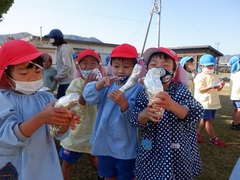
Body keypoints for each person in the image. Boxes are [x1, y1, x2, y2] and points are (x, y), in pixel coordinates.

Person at [0, 40, 80, 180]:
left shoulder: (46, 97)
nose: (32, 78)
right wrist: (42, 117)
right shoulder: (3, 99)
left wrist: (63, 121)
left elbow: (56, 132)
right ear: (6, 76)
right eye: (24, 73)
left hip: (45, 164)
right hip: (15, 165)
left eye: (37, 71)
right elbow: (7, 136)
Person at [130, 47, 204, 180]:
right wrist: (145, 114)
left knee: (178, 174)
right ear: (146, 70)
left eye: (165, 65)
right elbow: (134, 119)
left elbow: (195, 112)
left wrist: (172, 105)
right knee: (149, 173)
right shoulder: (143, 93)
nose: (159, 70)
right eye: (153, 65)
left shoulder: (180, 91)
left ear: (174, 72)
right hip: (152, 147)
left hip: (178, 147)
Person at [82, 43, 144, 180]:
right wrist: (98, 85)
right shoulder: (107, 83)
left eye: (126, 67)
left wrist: (124, 104)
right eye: (116, 66)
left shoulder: (138, 89)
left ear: (135, 67)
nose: (120, 71)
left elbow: (136, 118)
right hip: (104, 143)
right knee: (108, 175)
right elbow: (89, 98)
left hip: (125, 145)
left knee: (126, 176)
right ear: (110, 66)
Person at [59, 49, 105, 180]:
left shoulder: (102, 84)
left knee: (92, 156)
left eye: (92, 63)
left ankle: (102, 176)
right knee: (67, 162)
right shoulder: (76, 83)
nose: (89, 66)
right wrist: (86, 86)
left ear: (98, 66)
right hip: (76, 131)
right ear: (78, 66)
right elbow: (75, 106)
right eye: (84, 63)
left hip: (93, 129)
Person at [194, 54, 226, 146]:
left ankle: (198, 134)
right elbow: (200, 89)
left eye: (212, 65)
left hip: (212, 102)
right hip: (204, 102)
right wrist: (211, 86)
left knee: (204, 119)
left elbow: (218, 89)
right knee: (208, 120)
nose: (211, 67)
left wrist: (221, 86)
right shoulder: (200, 76)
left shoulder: (215, 75)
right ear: (201, 66)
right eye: (208, 66)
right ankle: (213, 139)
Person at [44, 29, 76, 99]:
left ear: (57, 38)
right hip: (64, 81)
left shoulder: (63, 49)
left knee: (63, 103)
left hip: (67, 81)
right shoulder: (60, 49)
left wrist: (58, 76)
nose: (50, 40)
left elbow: (67, 66)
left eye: (52, 38)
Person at [228, 56, 240, 130]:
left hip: (234, 94)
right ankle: (236, 124)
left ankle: (235, 122)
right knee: (239, 109)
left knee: (235, 108)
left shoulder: (234, 73)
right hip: (238, 95)